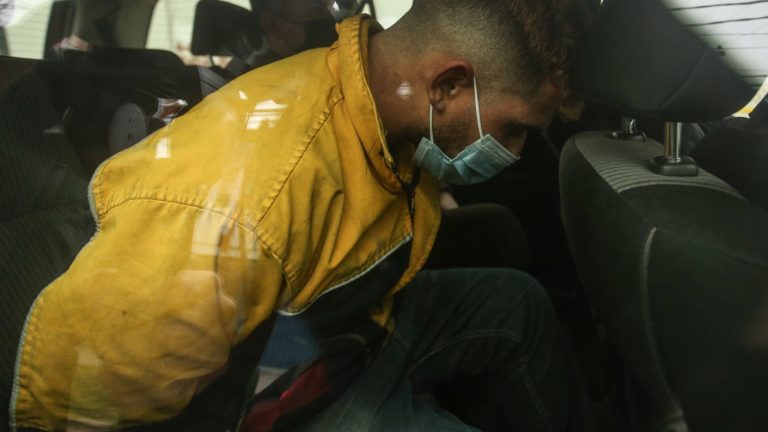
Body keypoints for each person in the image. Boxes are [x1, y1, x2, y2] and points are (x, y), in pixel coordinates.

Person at [9, 0, 587, 431]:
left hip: (349, 332)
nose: (515, 152)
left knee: (515, 303)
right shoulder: (244, 202)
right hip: (285, 397)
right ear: (448, 85)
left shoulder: (380, 102)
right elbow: (79, 400)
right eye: (514, 129)